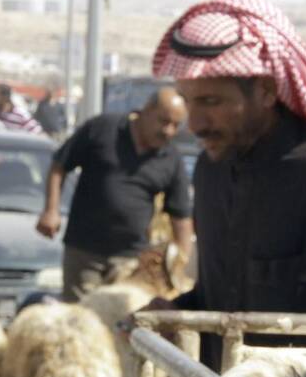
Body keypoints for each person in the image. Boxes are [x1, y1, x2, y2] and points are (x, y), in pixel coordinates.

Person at [149, 0, 306, 370]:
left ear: (266, 91)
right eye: (188, 101)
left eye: (210, 102)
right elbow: (221, 297)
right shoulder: (212, 169)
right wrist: (174, 313)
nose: (194, 124)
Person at [36, 87, 194, 302]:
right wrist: (51, 210)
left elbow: (181, 216)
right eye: (163, 121)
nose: (168, 131)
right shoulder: (103, 128)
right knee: (82, 322)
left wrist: (178, 265)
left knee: (122, 323)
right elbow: (59, 165)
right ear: (146, 110)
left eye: (176, 125)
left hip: (131, 260)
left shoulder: (170, 158)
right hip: (85, 251)